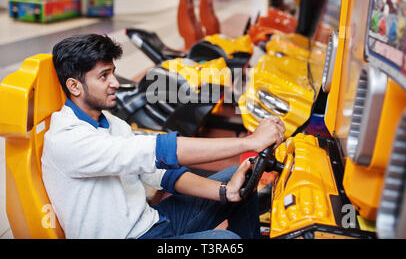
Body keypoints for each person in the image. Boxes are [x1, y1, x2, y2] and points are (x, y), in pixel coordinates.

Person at [42, 34, 286, 239]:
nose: (115, 82)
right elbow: (159, 150)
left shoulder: (113, 123)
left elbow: (162, 174)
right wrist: (249, 141)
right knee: (223, 241)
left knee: (239, 179)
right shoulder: (67, 139)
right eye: (103, 76)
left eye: (113, 73)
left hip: (154, 222)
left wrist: (226, 191)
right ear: (74, 86)